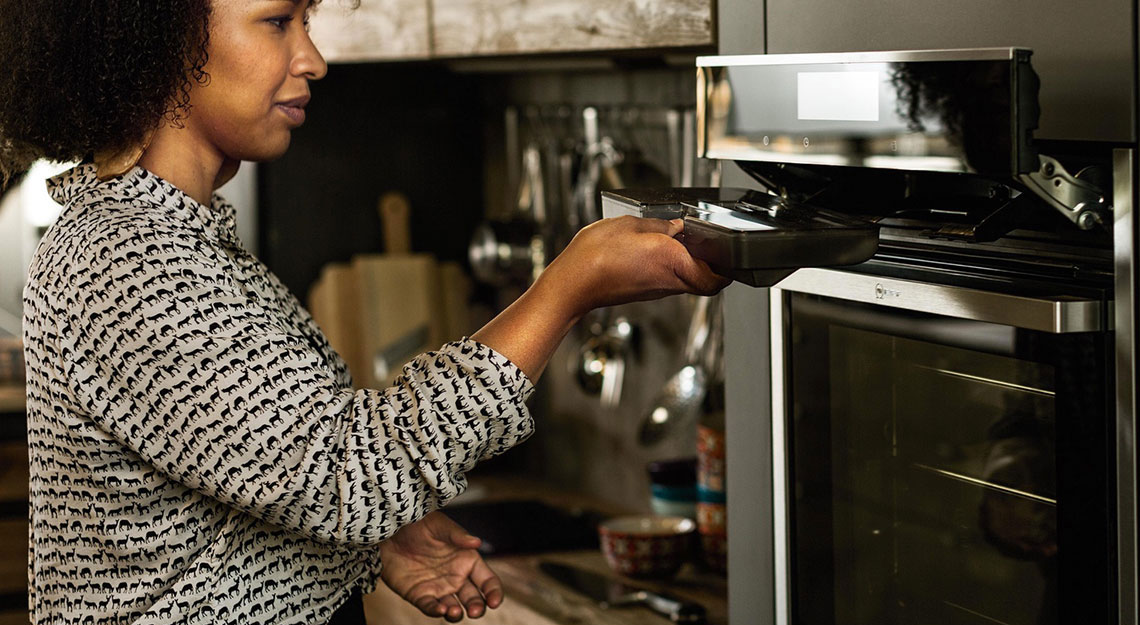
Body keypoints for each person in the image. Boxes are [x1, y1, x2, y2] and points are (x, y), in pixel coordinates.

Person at [0, 1, 729, 624]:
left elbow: (263, 474)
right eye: (277, 21)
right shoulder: (130, 260)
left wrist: (368, 538)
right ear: (158, 40)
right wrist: (570, 285)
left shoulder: (165, 238)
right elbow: (346, 471)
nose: (311, 58)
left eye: (306, 21)